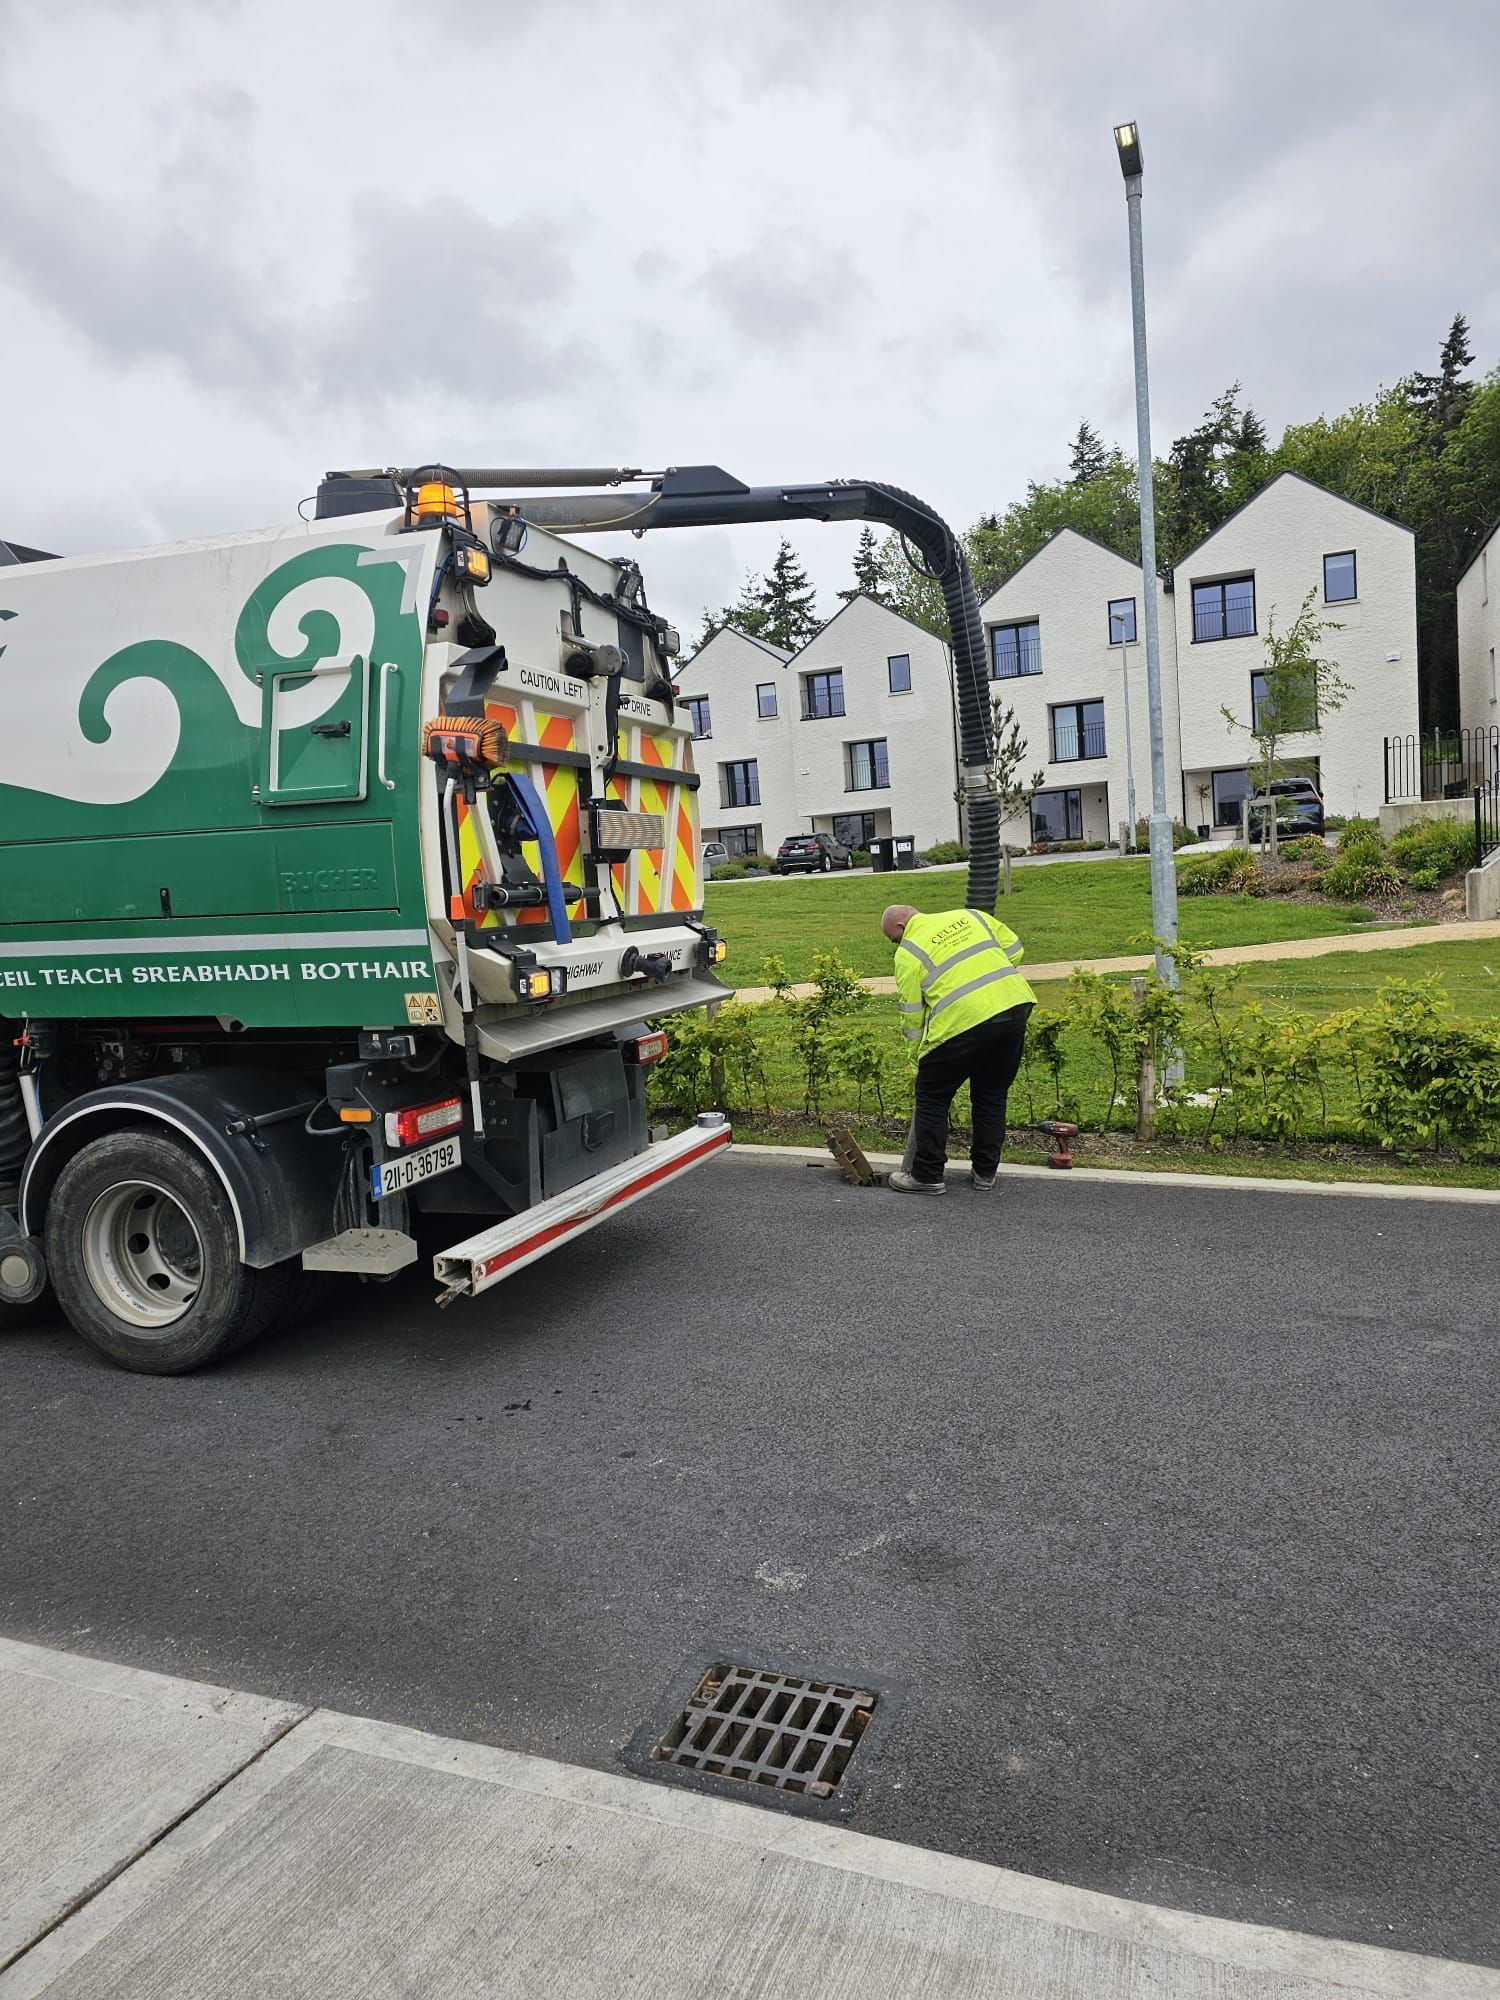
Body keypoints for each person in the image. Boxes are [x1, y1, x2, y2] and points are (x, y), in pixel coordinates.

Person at [882, 903, 1035, 1195]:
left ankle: (926, 1176)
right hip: (1014, 1007)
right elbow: (1014, 949)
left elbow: (912, 1015)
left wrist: (917, 1059)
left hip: (962, 1023)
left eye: (894, 939)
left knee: (931, 1096)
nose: (896, 945)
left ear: (901, 926)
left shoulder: (908, 952)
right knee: (991, 1095)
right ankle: (985, 1174)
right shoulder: (970, 916)